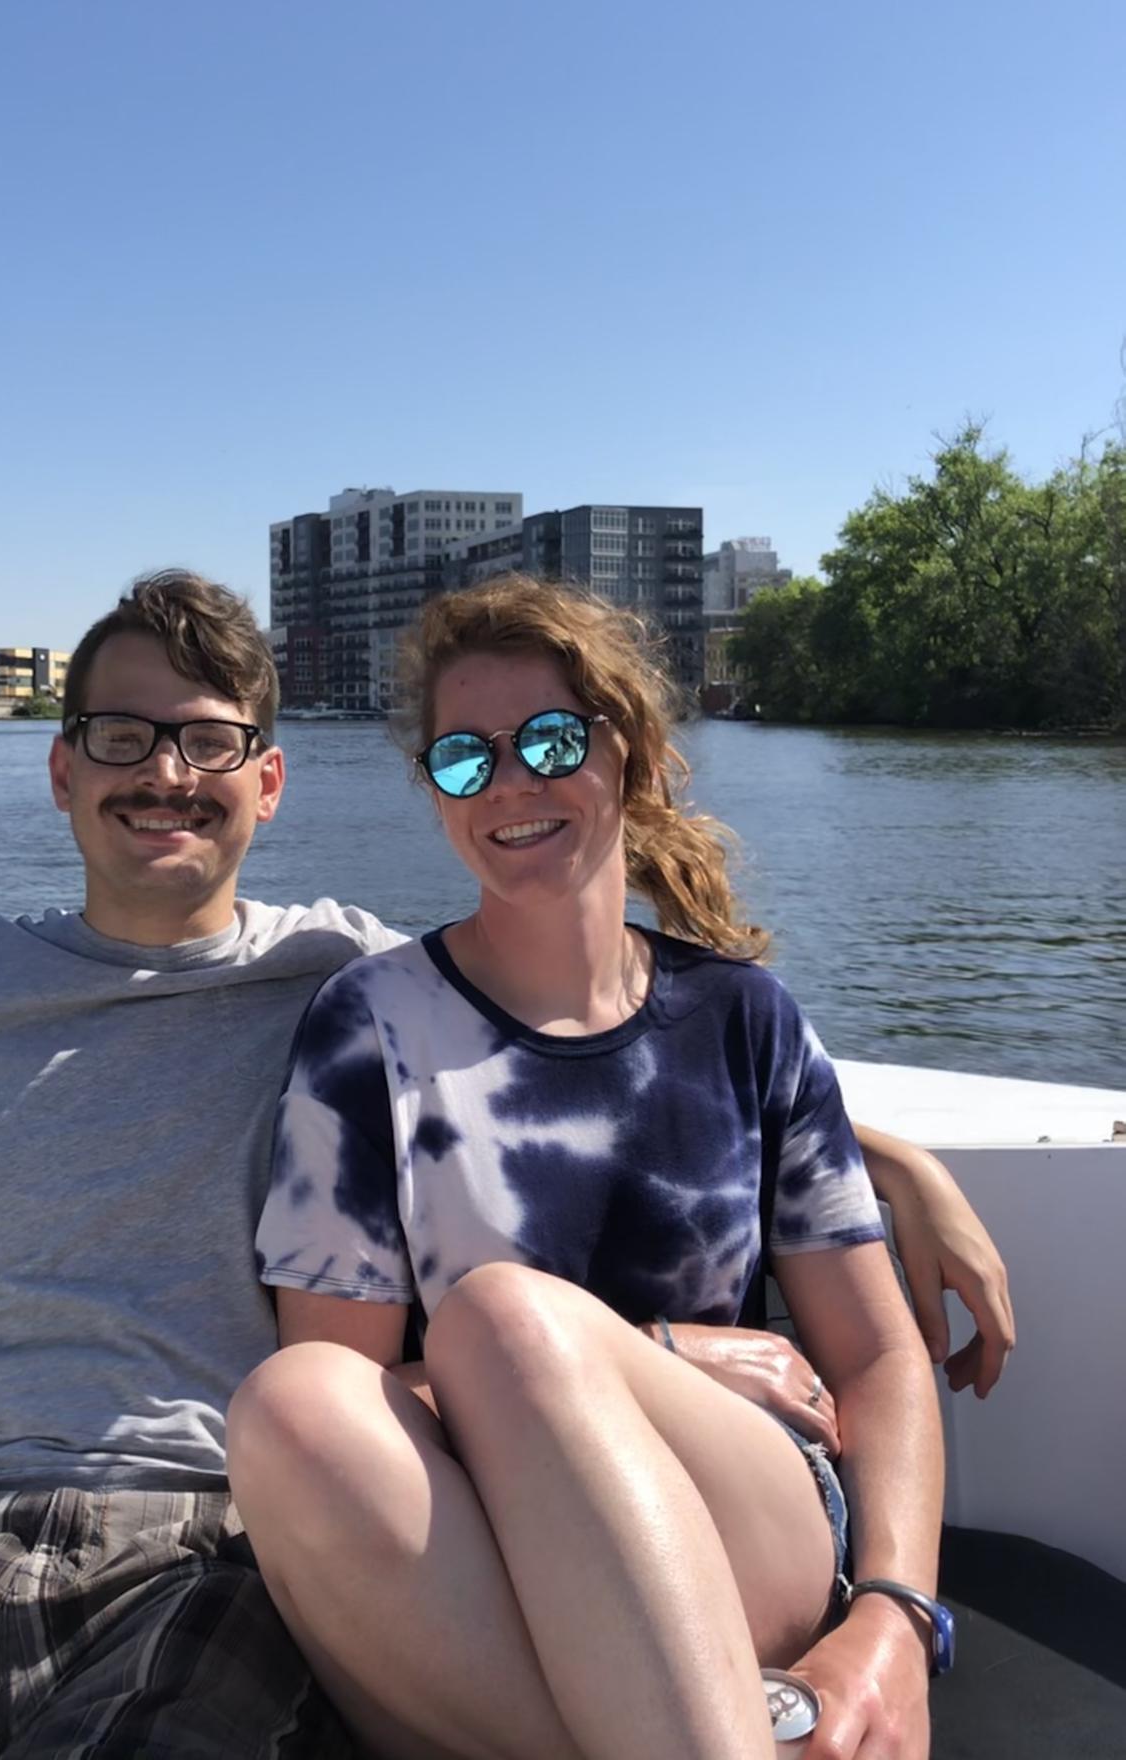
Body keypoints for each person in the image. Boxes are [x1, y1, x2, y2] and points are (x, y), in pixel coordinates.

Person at [0, 571, 1009, 1759]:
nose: (164, 773)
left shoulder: (344, 976)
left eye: (207, 742)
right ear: (62, 770)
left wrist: (888, 1160)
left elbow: (591, 1009)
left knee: (452, 1349)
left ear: (268, 783)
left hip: (200, 1550)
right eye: (121, 735)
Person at [234, 575, 965, 1760]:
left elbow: (879, 1356)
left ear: (626, 748)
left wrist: (892, 1614)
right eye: (466, 759)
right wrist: (648, 1351)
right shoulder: (368, 1026)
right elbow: (356, 1403)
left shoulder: (744, 1020)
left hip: (746, 1515)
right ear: (437, 793)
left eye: (551, 739)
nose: (511, 783)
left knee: (502, 1318)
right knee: (292, 1404)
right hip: (489, 1553)